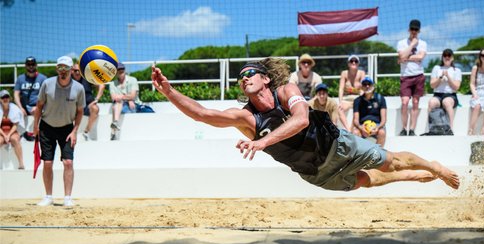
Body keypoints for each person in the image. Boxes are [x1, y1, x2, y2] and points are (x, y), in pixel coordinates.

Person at [151, 57, 460, 191]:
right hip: (314, 173)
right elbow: (202, 114)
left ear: (266, 79)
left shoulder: (287, 90)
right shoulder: (246, 117)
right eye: (240, 77)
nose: (243, 79)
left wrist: (261, 142)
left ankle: (434, 167)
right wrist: (168, 90)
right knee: (366, 182)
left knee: (389, 162)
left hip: (338, 145)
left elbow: (300, 120)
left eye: (249, 74)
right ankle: (414, 176)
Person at [33, 56, 86, 207]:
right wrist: (36, 127)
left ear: (71, 70)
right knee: (47, 163)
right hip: (47, 127)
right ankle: (48, 197)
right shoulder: (47, 84)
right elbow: (39, 106)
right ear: (57, 69)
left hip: (67, 129)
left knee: (68, 162)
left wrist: (75, 131)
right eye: (60, 68)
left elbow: (80, 111)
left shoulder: (79, 88)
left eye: (66, 68)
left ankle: (67, 198)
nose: (63, 71)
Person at [397, 19, 427, 136]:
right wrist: (412, 45)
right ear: (409, 29)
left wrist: (405, 58)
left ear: (419, 30)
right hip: (406, 76)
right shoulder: (401, 43)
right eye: (412, 29)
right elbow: (401, 55)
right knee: (404, 102)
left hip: (418, 75)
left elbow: (420, 57)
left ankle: (412, 129)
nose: (414, 31)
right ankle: (404, 128)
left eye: (416, 29)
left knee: (415, 102)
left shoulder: (423, 43)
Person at [13, 56, 47, 141]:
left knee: (38, 111)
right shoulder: (21, 78)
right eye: (29, 64)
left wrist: (38, 106)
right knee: (15, 112)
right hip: (24, 106)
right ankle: (19, 134)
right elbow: (16, 94)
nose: (31, 66)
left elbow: (47, 94)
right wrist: (20, 108)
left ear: (36, 65)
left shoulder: (42, 78)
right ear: (25, 66)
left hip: (38, 106)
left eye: (33, 64)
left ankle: (36, 133)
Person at [428, 48, 461, 130]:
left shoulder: (457, 70)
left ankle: (451, 128)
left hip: (451, 95)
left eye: (449, 55)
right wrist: (440, 78)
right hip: (438, 95)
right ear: (442, 57)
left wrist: (448, 77)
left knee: (446, 102)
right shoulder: (436, 68)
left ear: (452, 58)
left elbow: (456, 87)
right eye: (445, 55)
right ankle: (431, 128)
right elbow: (432, 85)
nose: (447, 57)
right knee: (431, 102)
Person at [71, 63, 105, 141]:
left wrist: (97, 99)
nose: (77, 72)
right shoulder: (68, 80)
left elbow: (102, 85)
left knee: (95, 108)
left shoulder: (87, 78)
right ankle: (72, 132)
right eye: (75, 70)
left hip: (87, 105)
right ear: (72, 71)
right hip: (74, 106)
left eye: (79, 71)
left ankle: (86, 132)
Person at [109, 62, 141, 140]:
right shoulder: (112, 84)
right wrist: (129, 98)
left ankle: (114, 130)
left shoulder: (132, 79)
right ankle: (115, 125)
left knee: (117, 105)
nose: (120, 71)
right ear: (115, 72)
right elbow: (113, 98)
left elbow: (133, 96)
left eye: (122, 69)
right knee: (118, 104)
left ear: (124, 70)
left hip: (133, 104)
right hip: (122, 106)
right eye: (118, 69)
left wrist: (126, 98)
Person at [352, 77, 387, 147]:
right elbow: (355, 120)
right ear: (362, 87)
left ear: (373, 86)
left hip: (377, 125)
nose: (367, 86)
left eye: (369, 84)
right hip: (362, 125)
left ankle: (378, 155)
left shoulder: (380, 98)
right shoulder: (357, 101)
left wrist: (377, 128)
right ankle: (360, 155)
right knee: (355, 132)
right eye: (364, 84)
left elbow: (384, 119)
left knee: (382, 132)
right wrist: (361, 128)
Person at [337, 55, 366, 131]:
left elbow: (364, 88)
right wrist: (340, 102)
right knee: (339, 109)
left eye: (356, 61)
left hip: (357, 98)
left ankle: (352, 129)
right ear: (348, 64)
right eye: (351, 61)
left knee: (358, 108)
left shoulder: (361, 73)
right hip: (347, 99)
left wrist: (361, 98)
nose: (353, 62)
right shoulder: (344, 73)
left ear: (358, 63)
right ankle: (348, 129)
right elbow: (341, 88)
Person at [0, 89, 25, 169]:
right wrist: (4, 135)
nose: (5, 99)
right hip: (1, 131)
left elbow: (15, 124)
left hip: (12, 130)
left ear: (10, 98)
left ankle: (21, 163)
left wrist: (9, 135)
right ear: (0, 99)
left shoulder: (15, 108)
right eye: (3, 97)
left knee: (15, 139)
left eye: (7, 97)